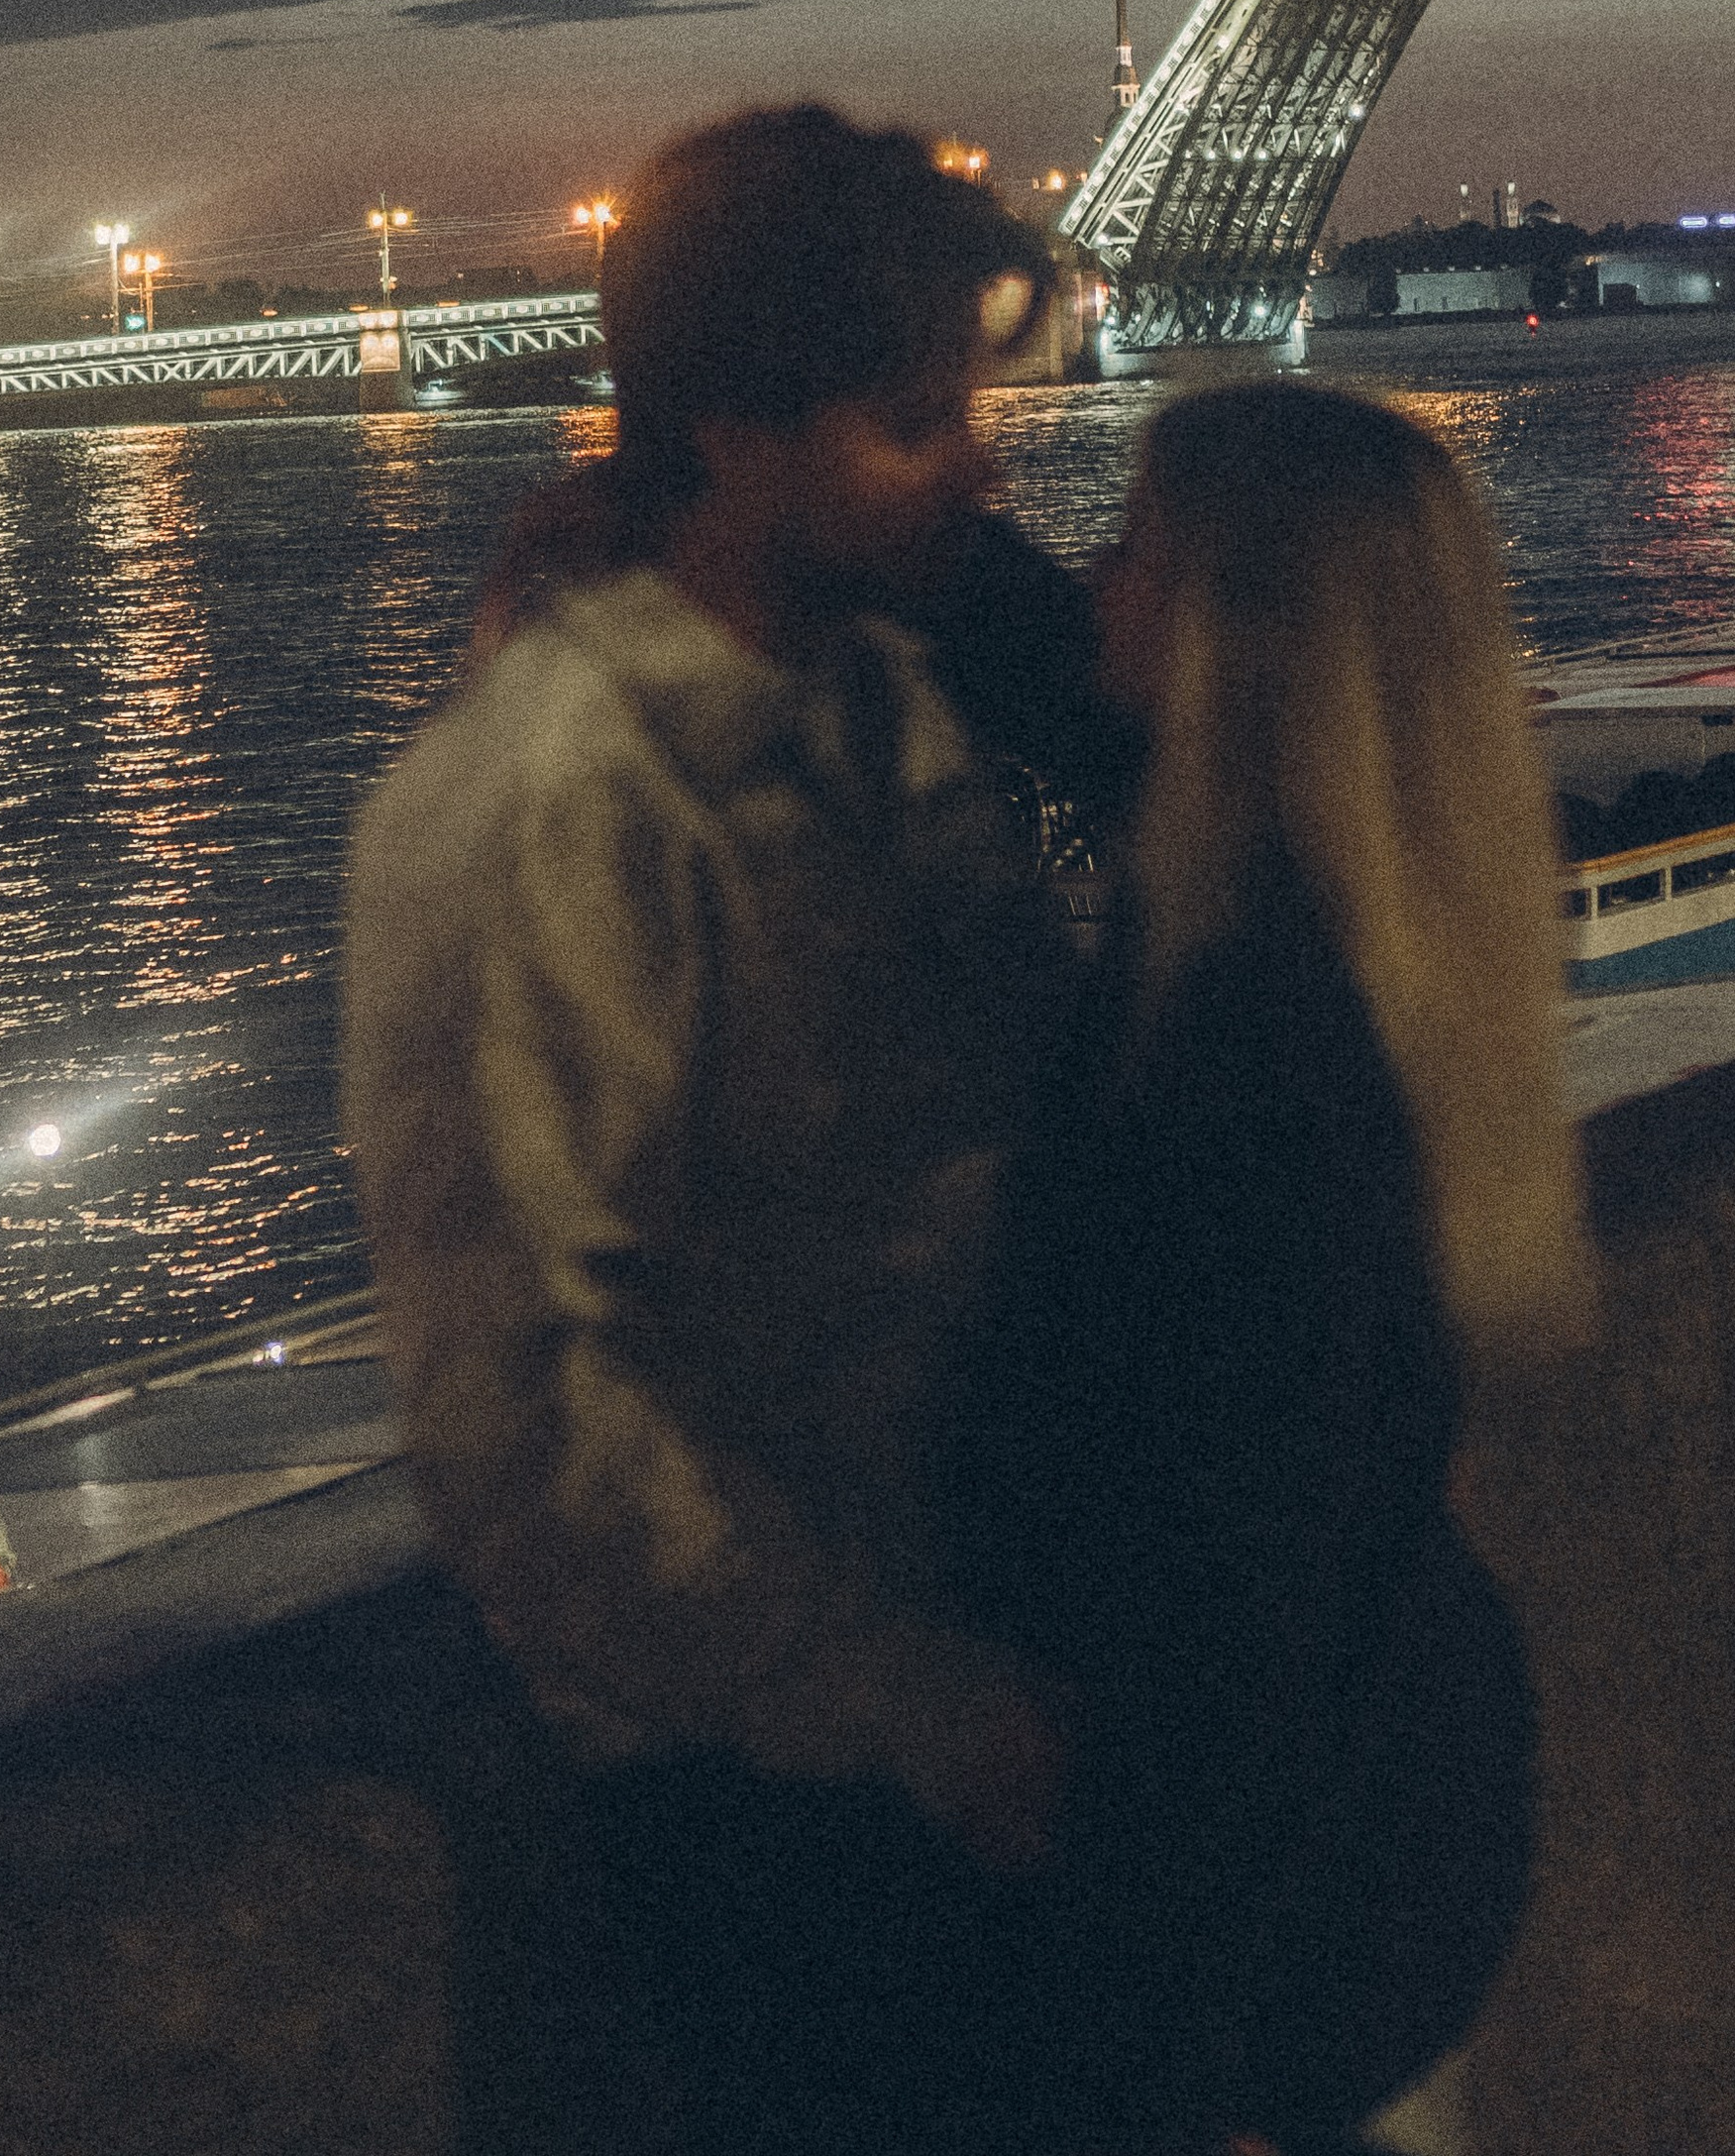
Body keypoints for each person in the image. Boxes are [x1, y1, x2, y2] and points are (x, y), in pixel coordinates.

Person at [345, 105, 1086, 2155]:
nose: (980, 470)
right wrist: (913, 1709)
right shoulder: (544, 800)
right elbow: (521, 1400)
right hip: (776, 1802)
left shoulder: (880, 707)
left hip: (957, 1709)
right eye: (914, 423)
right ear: (737, 431)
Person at [952, 379, 1597, 2156]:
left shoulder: (1249, 1053)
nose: (1097, 581)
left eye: (1136, 549)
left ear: (1240, 641)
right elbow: (1062, 678)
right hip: (1400, 1830)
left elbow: (1236, 1624)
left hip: (1274, 1943)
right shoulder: (1362, 940)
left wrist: (1177, 2078)